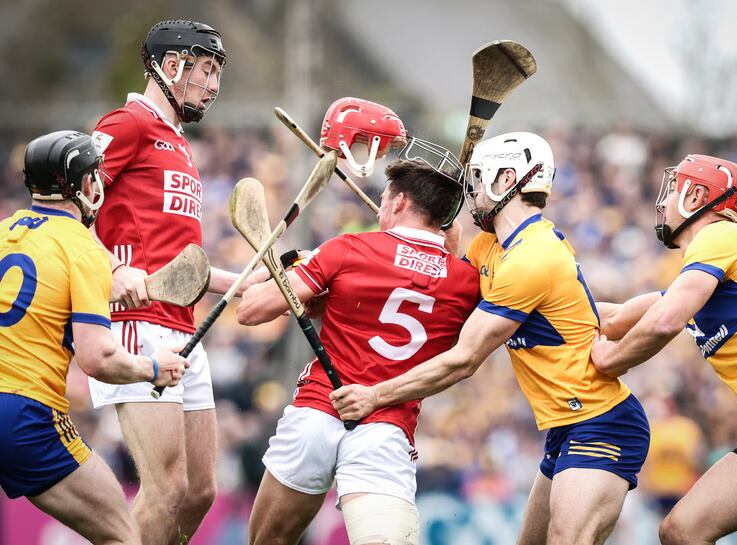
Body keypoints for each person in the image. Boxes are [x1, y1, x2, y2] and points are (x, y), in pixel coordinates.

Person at [332, 132, 651, 545]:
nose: (474, 193)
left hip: (603, 423)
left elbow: (464, 359)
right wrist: (425, 240)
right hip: (565, 426)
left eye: (480, 180)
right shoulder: (491, 246)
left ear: (506, 179)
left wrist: (376, 395)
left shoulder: (532, 258)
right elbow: (444, 293)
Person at [237, 143, 480, 545]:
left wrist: (298, 266)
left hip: (317, 412)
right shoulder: (467, 281)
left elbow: (252, 311)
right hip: (386, 430)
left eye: (384, 200)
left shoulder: (347, 248)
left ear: (399, 201)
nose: (380, 209)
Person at [86, 20, 267, 545]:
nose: (214, 85)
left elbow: (182, 269)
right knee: (164, 490)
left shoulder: (178, 143)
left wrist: (251, 279)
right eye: (207, 70)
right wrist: (113, 270)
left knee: (198, 493)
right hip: (135, 325)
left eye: (217, 73)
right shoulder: (128, 124)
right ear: (171, 67)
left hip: (182, 326)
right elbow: (68, 208)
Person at [590, 154, 737, 545]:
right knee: (682, 531)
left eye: (674, 189)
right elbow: (614, 318)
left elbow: (665, 321)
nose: (665, 201)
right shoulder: (697, 282)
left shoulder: (721, 237)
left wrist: (610, 360)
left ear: (697, 195)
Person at [0, 131, 188, 545]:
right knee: (122, 535)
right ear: (82, 185)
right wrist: (154, 368)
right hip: (25, 414)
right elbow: (98, 358)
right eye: (94, 176)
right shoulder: (85, 249)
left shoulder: (4, 233)